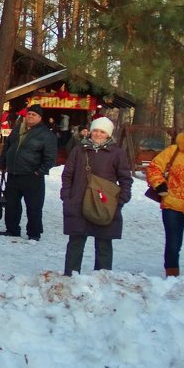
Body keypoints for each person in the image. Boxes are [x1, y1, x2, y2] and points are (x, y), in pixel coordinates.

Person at [60, 117, 132, 275]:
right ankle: (71, 277)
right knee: (76, 242)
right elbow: (67, 175)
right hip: (78, 201)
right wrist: (67, 196)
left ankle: (102, 277)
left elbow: (125, 179)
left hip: (104, 204)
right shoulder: (79, 150)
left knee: (104, 244)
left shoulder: (117, 153)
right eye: (95, 130)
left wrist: (120, 200)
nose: (98, 134)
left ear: (108, 134)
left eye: (102, 131)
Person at [0, 104, 57, 241]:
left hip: (32, 176)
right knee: (12, 205)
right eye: (29, 114)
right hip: (14, 173)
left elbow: (50, 158)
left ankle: (34, 233)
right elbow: (7, 147)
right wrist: (3, 163)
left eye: (34, 115)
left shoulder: (46, 134)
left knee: (34, 207)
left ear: (40, 118)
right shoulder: (18, 128)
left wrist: (39, 172)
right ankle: (12, 229)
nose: (30, 116)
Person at [146, 130, 184, 276]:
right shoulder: (173, 150)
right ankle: (172, 276)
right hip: (172, 205)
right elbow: (154, 167)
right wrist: (160, 185)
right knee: (173, 243)